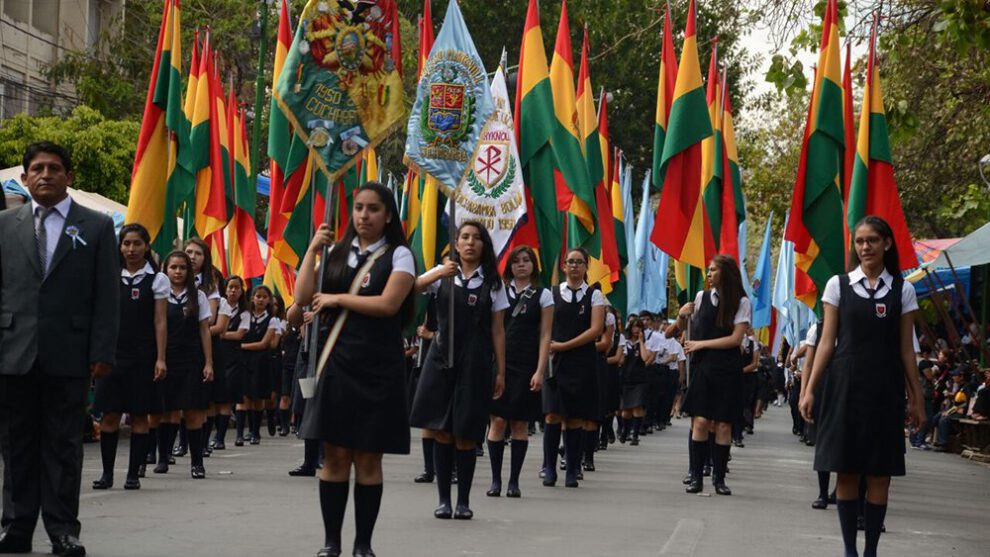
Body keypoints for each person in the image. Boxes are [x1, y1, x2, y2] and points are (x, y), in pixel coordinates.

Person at [0, 142, 119, 556]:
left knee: (63, 446)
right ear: (26, 177)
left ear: (69, 176)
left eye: (54, 168)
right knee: (15, 447)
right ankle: (15, 527)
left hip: (71, 353)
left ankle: (63, 530)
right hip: (13, 352)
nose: (45, 175)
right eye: (37, 168)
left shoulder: (97, 226)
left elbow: (106, 295)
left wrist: (102, 350)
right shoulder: (4, 224)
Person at [295, 181, 416, 557]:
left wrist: (337, 297)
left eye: (373, 209)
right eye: (359, 208)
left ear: (388, 215)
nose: (364, 215)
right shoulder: (335, 251)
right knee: (334, 455)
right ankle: (332, 542)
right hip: (336, 361)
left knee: (367, 456)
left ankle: (363, 544)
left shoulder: (399, 255)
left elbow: (388, 305)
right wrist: (313, 252)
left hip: (378, 365)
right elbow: (302, 300)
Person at [799, 215, 926, 557]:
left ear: (887, 243)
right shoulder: (838, 285)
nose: (865, 247)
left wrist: (916, 399)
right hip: (844, 388)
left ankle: (870, 550)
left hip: (885, 390)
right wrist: (809, 388)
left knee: (880, 475)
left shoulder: (904, 290)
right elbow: (827, 343)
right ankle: (849, 550)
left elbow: (906, 350)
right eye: (859, 241)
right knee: (848, 471)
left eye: (872, 240)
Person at [410, 221, 507, 520]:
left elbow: (498, 330)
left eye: (476, 238)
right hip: (441, 359)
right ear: (456, 242)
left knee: (465, 432)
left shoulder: (493, 283)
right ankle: (443, 499)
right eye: (464, 237)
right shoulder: (443, 276)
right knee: (441, 429)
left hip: (475, 362)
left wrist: (500, 371)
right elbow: (409, 287)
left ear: (484, 245)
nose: (469, 243)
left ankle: (463, 500)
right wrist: (439, 271)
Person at [92, 224, 168, 491]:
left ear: (146, 246)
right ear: (120, 246)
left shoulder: (157, 279)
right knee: (109, 415)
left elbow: (160, 321)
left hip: (143, 355)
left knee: (139, 416)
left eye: (137, 243)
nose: (131, 249)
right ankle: (107, 474)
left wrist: (160, 358)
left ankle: (133, 474)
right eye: (126, 244)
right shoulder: (109, 275)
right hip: (112, 354)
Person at [671, 254, 751, 496]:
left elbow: (735, 339)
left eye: (714, 270)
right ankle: (696, 476)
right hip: (703, 367)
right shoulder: (701, 297)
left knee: (723, 424)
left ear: (725, 273)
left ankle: (719, 478)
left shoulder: (741, 301)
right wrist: (681, 315)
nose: (709, 274)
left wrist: (701, 345)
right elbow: (683, 330)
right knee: (701, 421)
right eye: (708, 270)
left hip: (728, 368)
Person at [486, 245, 552, 498]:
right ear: (509, 266)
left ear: (534, 265)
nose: (521, 265)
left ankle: (514, 481)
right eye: (516, 261)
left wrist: (540, 370)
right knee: (498, 421)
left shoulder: (543, 295)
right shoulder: (498, 291)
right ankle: (495, 481)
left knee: (519, 424)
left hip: (527, 365)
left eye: (526, 260)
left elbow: (546, 335)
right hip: (500, 363)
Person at [541, 247, 605, 488]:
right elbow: (544, 327)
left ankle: (572, 466)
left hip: (581, 362)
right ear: (563, 266)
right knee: (552, 414)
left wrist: (564, 346)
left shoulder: (594, 295)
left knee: (575, 418)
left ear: (587, 266)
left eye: (580, 262)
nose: (575, 266)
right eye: (571, 262)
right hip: (554, 363)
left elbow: (595, 330)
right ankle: (549, 467)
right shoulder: (552, 293)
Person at [159, 251, 215, 479]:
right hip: (167, 358)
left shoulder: (198, 296)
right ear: (166, 270)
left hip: (192, 359)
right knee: (167, 412)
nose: (178, 271)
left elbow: (204, 330)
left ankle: (197, 462)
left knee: (192, 412)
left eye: (183, 268)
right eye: (173, 267)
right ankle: (163, 458)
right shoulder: (159, 294)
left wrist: (209, 362)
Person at [240, 285, 278, 444]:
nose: (260, 300)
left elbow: (264, 344)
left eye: (264, 297)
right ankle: (245, 432)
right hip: (244, 361)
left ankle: (256, 432)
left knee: (258, 397)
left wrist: (242, 346)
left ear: (269, 300)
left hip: (261, 362)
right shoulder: (245, 316)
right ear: (252, 298)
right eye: (258, 296)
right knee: (245, 396)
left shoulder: (272, 320)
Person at [619, 318, 652, 446]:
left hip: (640, 379)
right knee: (626, 410)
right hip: (627, 378)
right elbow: (621, 360)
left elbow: (645, 358)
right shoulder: (625, 342)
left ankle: (635, 435)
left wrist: (641, 341)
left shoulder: (644, 343)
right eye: (634, 326)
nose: (636, 329)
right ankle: (625, 431)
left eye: (639, 327)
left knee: (637, 407)